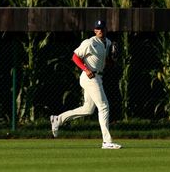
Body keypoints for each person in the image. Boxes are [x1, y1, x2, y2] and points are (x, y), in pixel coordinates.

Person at [50, 19, 121, 149]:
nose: (100, 30)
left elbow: (107, 63)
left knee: (88, 109)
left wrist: (113, 60)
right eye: (98, 29)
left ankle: (58, 119)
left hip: (98, 77)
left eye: (102, 28)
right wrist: (86, 69)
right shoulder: (89, 42)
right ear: (94, 30)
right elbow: (75, 57)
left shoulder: (108, 43)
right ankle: (107, 141)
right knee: (104, 106)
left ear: (106, 29)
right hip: (89, 77)